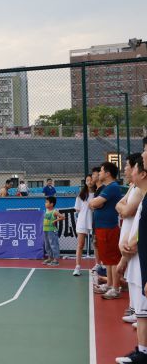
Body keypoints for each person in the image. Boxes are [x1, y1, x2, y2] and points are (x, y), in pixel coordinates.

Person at [115, 155, 147, 364]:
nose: (129, 170)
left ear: (142, 173)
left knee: (143, 312)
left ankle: (143, 353)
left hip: (141, 262)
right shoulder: (140, 195)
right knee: (142, 314)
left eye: (132, 167)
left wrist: (131, 245)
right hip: (136, 260)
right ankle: (142, 351)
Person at [115, 154, 143, 319]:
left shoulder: (139, 190)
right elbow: (119, 205)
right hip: (128, 242)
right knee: (131, 276)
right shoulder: (132, 187)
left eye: (127, 166)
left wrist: (123, 208)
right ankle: (135, 309)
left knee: (138, 278)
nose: (125, 169)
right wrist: (122, 208)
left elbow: (126, 211)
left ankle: (139, 312)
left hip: (134, 243)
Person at [90, 162, 123, 299]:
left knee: (113, 259)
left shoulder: (112, 187)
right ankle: (109, 284)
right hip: (102, 228)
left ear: (108, 173)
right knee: (107, 259)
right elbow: (93, 204)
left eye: (102, 171)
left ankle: (115, 288)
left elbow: (94, 203)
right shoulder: (107, 188)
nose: (99, 173)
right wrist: (97, 203)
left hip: (109, 228)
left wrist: (97, 203)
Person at [73, 175, 94, 276]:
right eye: (87, 180)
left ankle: (98, 265)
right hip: (82, 222)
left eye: (91, 180)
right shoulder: (81, 195)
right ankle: (77, 267)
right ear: (85, 182)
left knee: (96, 244)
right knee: (80, 245)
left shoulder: (98, 194)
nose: (89, 182)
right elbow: (77, 209)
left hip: (94, 221)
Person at [43, 196, 65, 266]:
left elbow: (63, 217)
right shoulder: (46, 211)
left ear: (51, 204)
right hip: (45, 230)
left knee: (53, 244)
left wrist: (55, 220)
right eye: (45, 202)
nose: (45, 203)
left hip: (52, 231)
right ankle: (50, 258)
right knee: (47, 245)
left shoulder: (54, 211)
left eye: (47, 202)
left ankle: (56, 259)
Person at [91, 166, 104, 272]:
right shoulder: (96, 190)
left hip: (102, 222)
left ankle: (103, 264)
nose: (92, 176)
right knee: (95, 242)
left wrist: (93, 204)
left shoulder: (103, 189)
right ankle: (97, 263)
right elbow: (92, 206)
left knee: (101, 243)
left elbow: (98, 205)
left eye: (94, 174)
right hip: (95, 221)